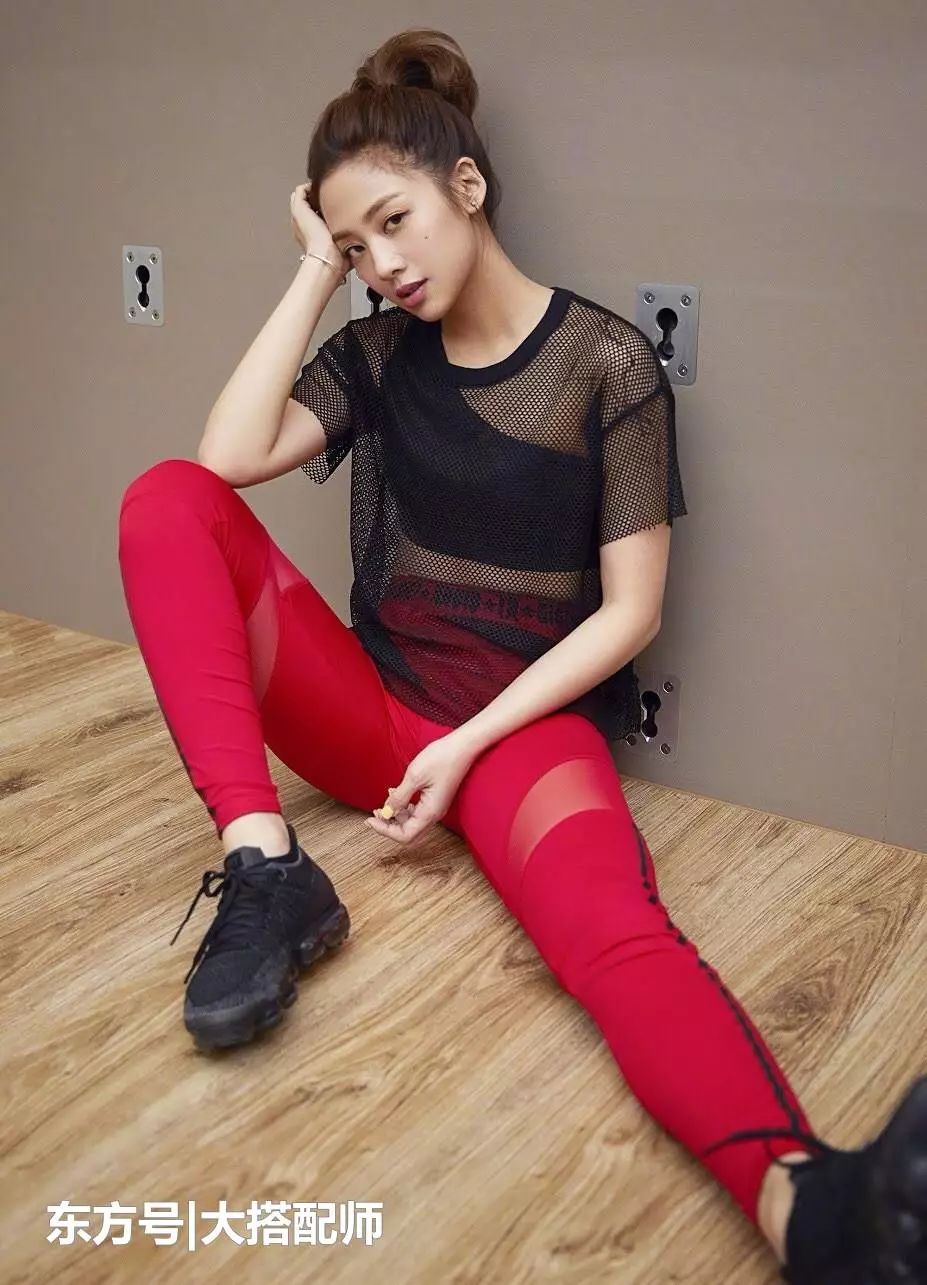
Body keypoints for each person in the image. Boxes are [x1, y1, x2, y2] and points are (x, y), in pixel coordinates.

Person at [117, 26, 926, 1284]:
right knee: (165, 498)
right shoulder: (376, 352)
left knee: (612, 931)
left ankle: (808, 1209)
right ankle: (267, 867)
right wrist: (310, 271)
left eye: (394, 223)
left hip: (517, 737)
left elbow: (630, 616)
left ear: (468, 187)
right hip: (367, 711)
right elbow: (223, 462)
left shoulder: (608, 363)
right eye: (355, 247)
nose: (383, 265)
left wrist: (470, 743)